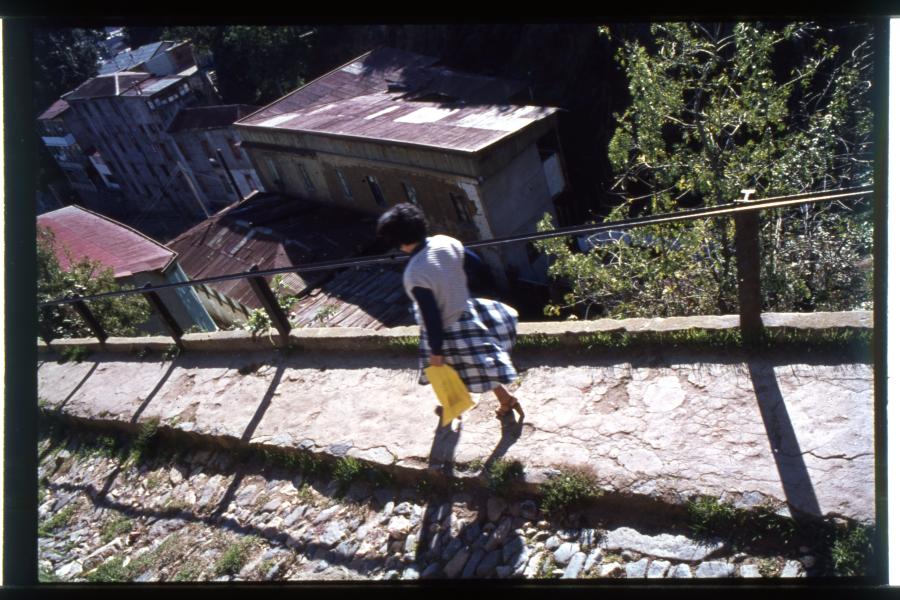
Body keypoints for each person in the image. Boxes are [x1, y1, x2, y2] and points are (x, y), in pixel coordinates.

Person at [376, 203, 524, 420]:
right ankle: (505, 399)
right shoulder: (445, 241)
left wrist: (436, 352)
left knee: (446, 370)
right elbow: (476, 265)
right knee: (481, 364)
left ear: (399, 242)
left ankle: (453, 404)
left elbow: (432, 318)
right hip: (468, 312)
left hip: (447, 331)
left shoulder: (415, 274)